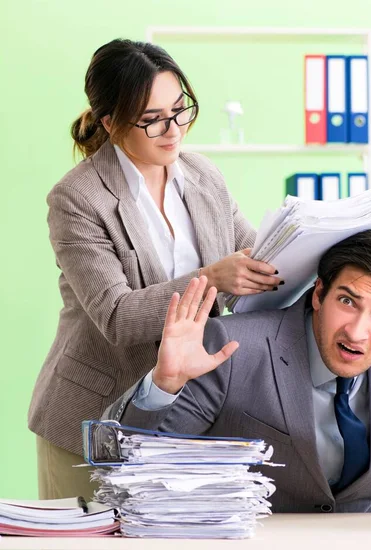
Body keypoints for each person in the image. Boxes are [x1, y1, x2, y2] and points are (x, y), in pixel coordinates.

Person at [28, 38, 282, 501]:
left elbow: (254, 255)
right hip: (94, 416)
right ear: (110, 122)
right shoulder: (78, 198)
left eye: (181, 109)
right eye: (152, 120)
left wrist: (309, 248)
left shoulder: (202, 175)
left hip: (186, 413)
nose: (174, 129)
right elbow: (117, 316)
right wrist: (212, 279)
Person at [105, 229, 371, 512]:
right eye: (347, 301)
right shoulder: (233, 346)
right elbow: (136, 473)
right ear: (320, 293)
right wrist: (164, 383)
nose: (357, 332)